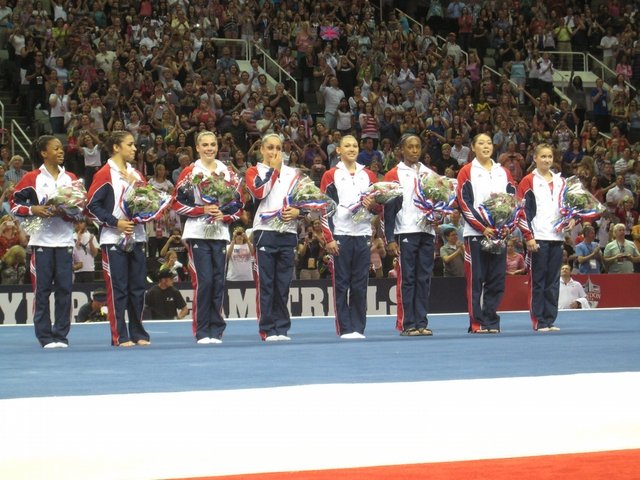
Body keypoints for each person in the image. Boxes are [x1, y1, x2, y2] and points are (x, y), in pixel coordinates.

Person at [173, 130, 242, 344]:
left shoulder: (227, 172)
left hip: (220, 233)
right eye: (205, 145)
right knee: (204, 281)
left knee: (218, 281)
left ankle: (216, 329)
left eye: (213, 144)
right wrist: (200, 210)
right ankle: (202, 330)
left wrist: (225, 214)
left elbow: (238, 204)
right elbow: (176, 203)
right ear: (197, 148)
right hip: (197, 233)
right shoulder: (190, 171)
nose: (210, 148)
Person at [9, 136, 77, 348]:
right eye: (55, 148)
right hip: (41, 243)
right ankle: (45, 336)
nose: (60, 151)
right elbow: (13, 204)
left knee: (65, 290)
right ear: (44, 153)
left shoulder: (71, 177)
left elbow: (80, 209)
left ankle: (61, 335)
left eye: (61, 148)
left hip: (65, 241)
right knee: (42, 291)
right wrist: (33, 210)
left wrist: (70, 211)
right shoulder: (32, 177)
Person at [86, 131, 151, 347]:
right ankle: (120, 335)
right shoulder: (105, 173)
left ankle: (138, 331)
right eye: (130, 145)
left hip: (137, 237)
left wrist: (139, 187)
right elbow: (91, 207)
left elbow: (149, 203)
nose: (135, 149)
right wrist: (116, 222)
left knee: (138, 287)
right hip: (114, 240)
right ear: (116, 147)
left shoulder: (136, 173)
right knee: (118, 288)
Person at [245, 133, 304, 341]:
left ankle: (282, 328)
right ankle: (268, 329)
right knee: (267, 284)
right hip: (264, 232)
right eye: (270, 148)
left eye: (278, 148)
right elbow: (259, 193)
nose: (274, 152)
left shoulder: (294, 173)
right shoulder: (254, 171)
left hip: (287, 232)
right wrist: (275, 170)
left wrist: (299, 212)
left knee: (283, 284)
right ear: (261, 150)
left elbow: (305, 200)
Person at [456, 133, 517, 334]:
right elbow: (463, 203)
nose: (486, 146)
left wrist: (508, 226)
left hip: (499, 234)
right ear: (473, 147)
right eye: (481, 143)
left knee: (497, 279)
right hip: (476, 234)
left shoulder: (503, 172)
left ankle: (491, 320)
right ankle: (477, 323)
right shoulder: (467, 171)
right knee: (476, 280)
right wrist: (483, 228)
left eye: (489, 143)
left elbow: (513, 201)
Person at [320, 135, 376, 339]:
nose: (351, 149)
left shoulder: (368, 174)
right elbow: (324, 208)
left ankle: (358, 328)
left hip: (362, 234)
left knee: (360, 283)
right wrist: (329, 238)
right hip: (341, 234)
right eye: (347, 146)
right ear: (338, 150)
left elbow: (377, 205)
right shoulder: (330, 175)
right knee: (342, 284)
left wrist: (373, 205)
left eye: (354, 145)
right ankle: (344, 328)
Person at [383, 134, 437, 337]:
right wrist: (389, 238)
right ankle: (408, 323)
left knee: (424, 278)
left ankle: (422, 322)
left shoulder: (430, 174)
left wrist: (437, 217)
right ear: (401, 150)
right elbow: (387, 210)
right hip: (405, 231)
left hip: (427, 231)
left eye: (417, 147)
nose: (414, 150)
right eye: (410, 147)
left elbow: (437, 203)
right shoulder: (393, 174)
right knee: (408, 279)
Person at [518, 143, 567, 332]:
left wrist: (570, 220)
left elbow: (567, 208)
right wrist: (528, 236)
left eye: (549, 157)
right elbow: (521, 212)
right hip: (538, 236)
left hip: (557, 236)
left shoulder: (561, 181)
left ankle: (549, 319)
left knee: (553, 280)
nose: (547, 160)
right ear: (535, 158)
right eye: (543, 156)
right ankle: (538, 320)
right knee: (538, 280)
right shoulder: (528, 181)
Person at [72, 218, 99, 283]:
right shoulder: (71, 237)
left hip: (89, 270)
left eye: (81, 223)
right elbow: (72, 253)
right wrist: (78, 240)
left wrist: (90, 242)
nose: (78, 225)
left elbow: (95, 254)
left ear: (85, 224)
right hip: (75, 270)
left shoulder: (91, 236)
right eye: (76, 223)